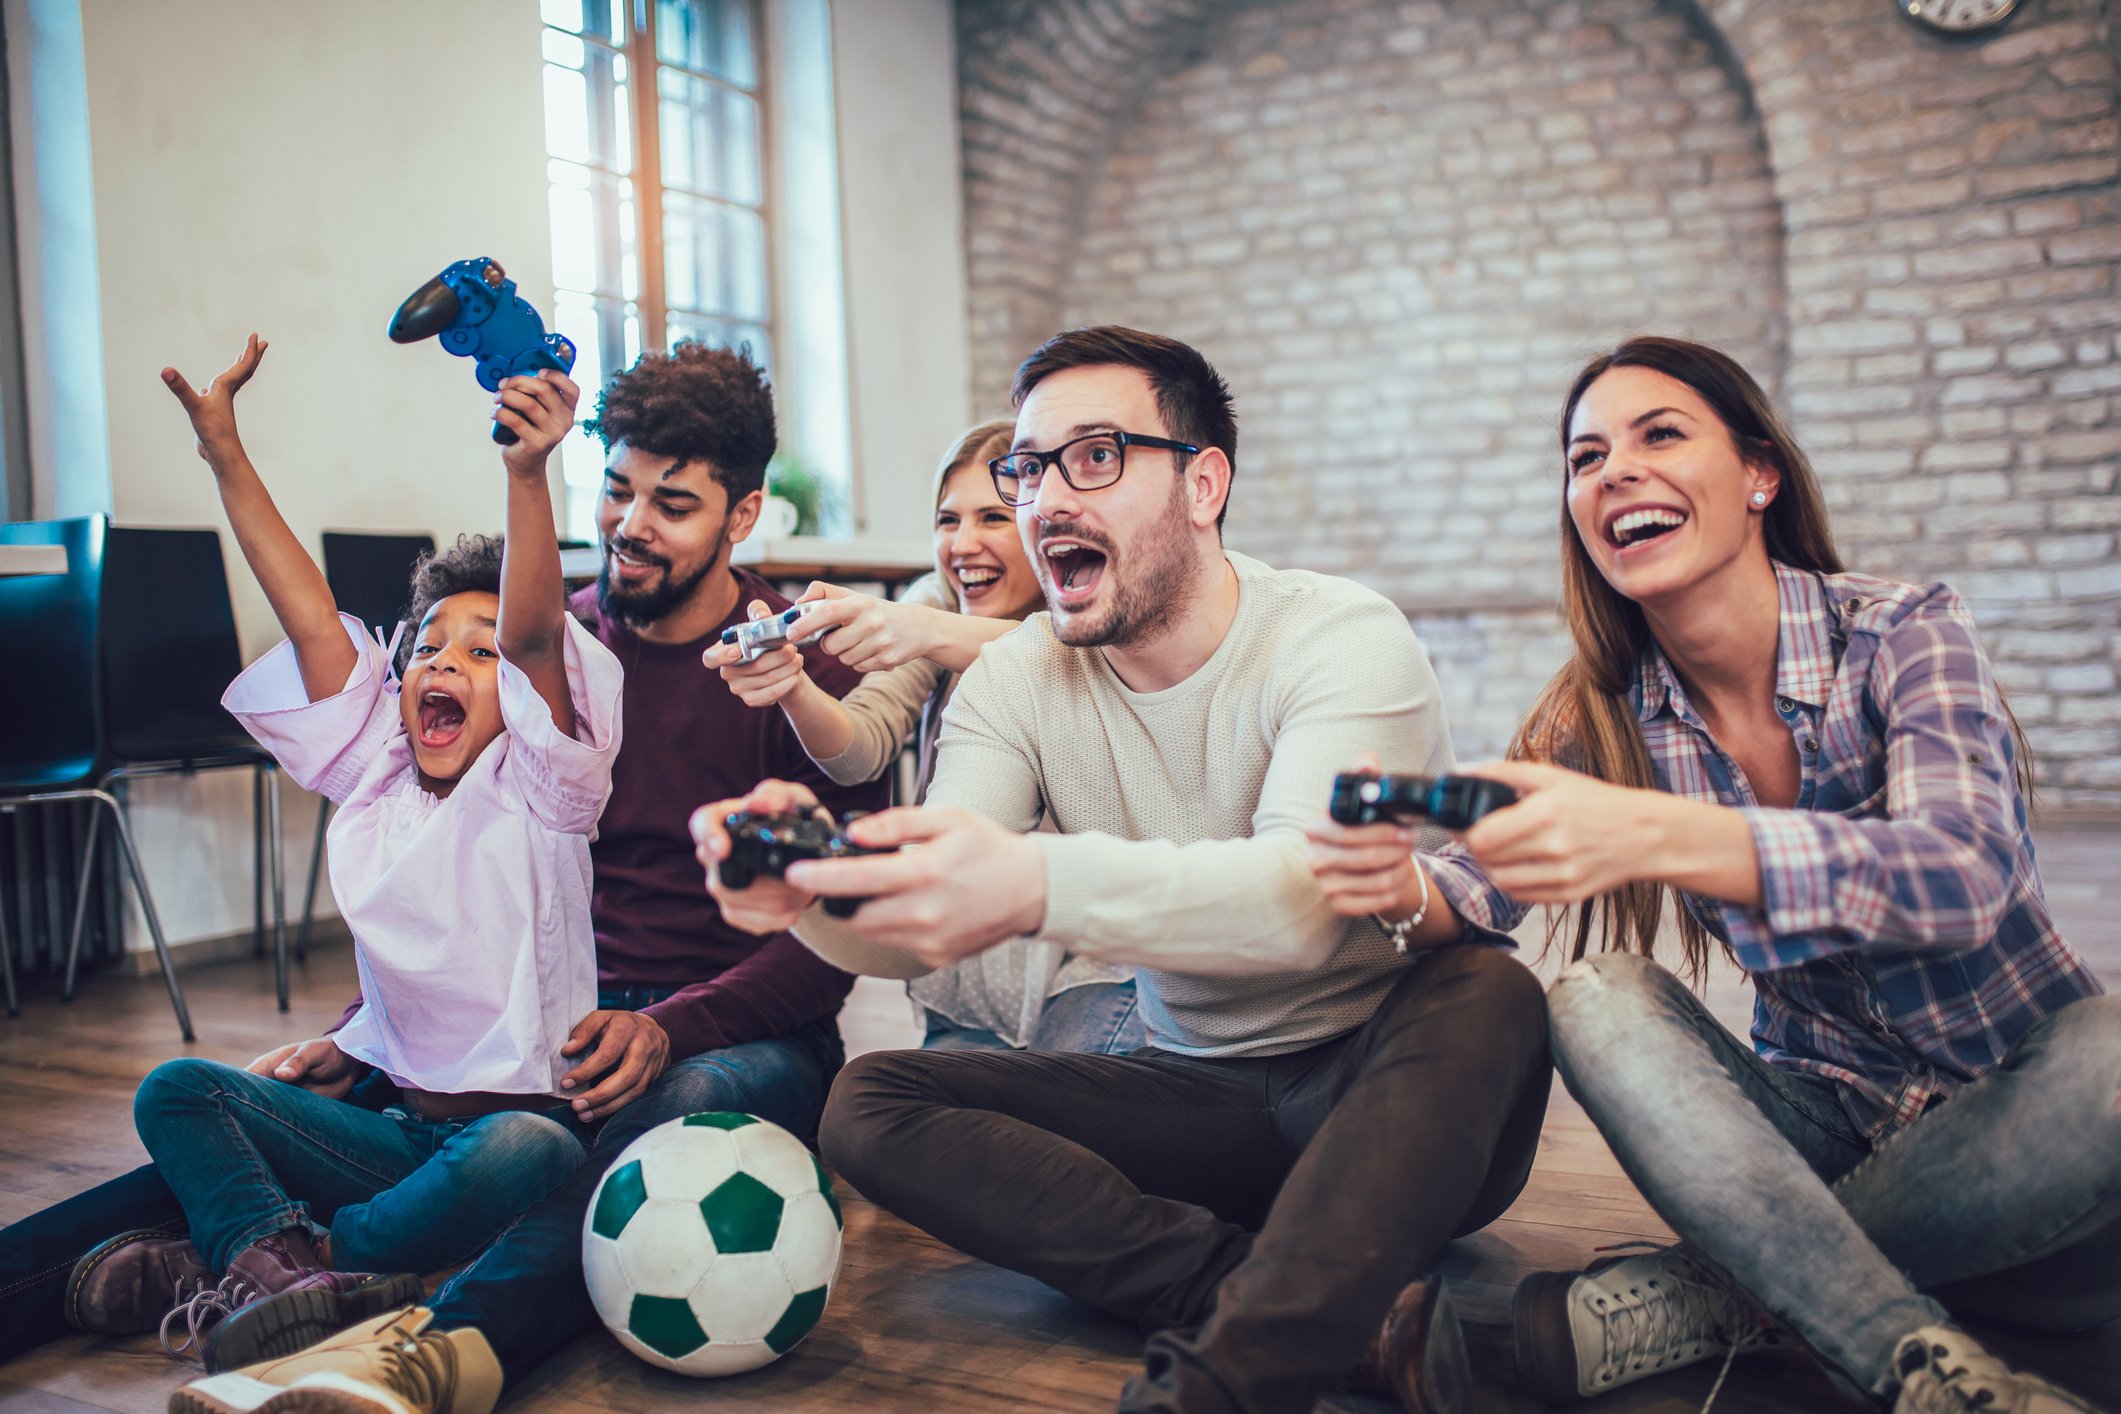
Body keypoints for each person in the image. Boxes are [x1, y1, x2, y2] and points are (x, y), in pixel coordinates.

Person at [2, 343, 887, 1414]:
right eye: (615, 490)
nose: (629, 526)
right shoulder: (541, 645)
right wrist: (363, 1030)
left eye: (674, 503)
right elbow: (469, 891)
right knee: (256, 1113)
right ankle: (139, 1275)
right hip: (547, 1021)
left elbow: (841, 938)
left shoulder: (799, 676)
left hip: (729, 1030)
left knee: (630, 1131)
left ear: (743, 516)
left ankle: (407, 1353)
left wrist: (674, 1029)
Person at [694, 326, 1552, 1414]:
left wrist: (1032, 878)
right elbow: (919, 921)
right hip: (1198, 1093)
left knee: (1492, 991)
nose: (1043, 499)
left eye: (1093, 457)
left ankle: (1214, 1382)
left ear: (1203, 484)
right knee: (872, 1100)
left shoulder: (1340, 636)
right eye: (1029, 467)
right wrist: (809, 898)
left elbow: (1298, 906)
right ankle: (1313, 1311)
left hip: (1383, 1092)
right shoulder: (1017, 677)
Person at [1316, 336, 2115, 1413]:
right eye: (1585, 457)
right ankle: (1913, 1366)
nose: (1615, 472)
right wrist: (1396, 888)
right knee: (1597, 997)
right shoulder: (1602, 711)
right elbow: (1464, 889)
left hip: (2034, 1150)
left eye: (1659, 434)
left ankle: (1727, 1292)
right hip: (1816, 1134)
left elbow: (1962, 871)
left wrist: (1652, 832)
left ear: (1757, 475)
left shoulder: (1904, 633)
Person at [107, 337, 614, 1381]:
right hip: (389, 1138)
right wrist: (224, 455)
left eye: (476, 653)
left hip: (505, 1138)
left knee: (538, 1153)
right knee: (177, 1090)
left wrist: (528, 474)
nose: (447, 663)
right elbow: (307, 613)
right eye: (429, 645)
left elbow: (530, 641)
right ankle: (285, 1267)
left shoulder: (540, 781)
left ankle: (309, 1259)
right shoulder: (378, 767)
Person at [709, 416, 1142, 1055]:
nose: (963, 544)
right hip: (972, 968)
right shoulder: (932, 607)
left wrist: (920, 632)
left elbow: (1063, 651)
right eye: (947, 520)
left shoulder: (1093, 621)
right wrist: (793, 684)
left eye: (992, 519)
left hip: (1095, 965)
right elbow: (857, 753)